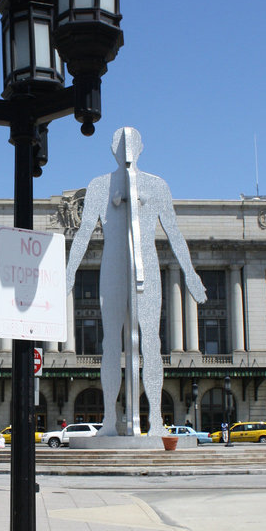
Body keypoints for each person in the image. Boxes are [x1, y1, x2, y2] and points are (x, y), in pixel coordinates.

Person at [66, 127, 206, 436]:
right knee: (110, 343)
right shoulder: (99, 186)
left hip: (147, 266)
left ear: (141, 148)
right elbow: (84, 232)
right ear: (112, 150)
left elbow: (174, 232)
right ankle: (108, 421)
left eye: (130, 146)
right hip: (113, 266)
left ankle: (155, 418)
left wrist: (190, 273)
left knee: (152, 342)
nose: (126, 152)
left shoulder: (156, 186)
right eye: (120, 146)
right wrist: (69, 272)